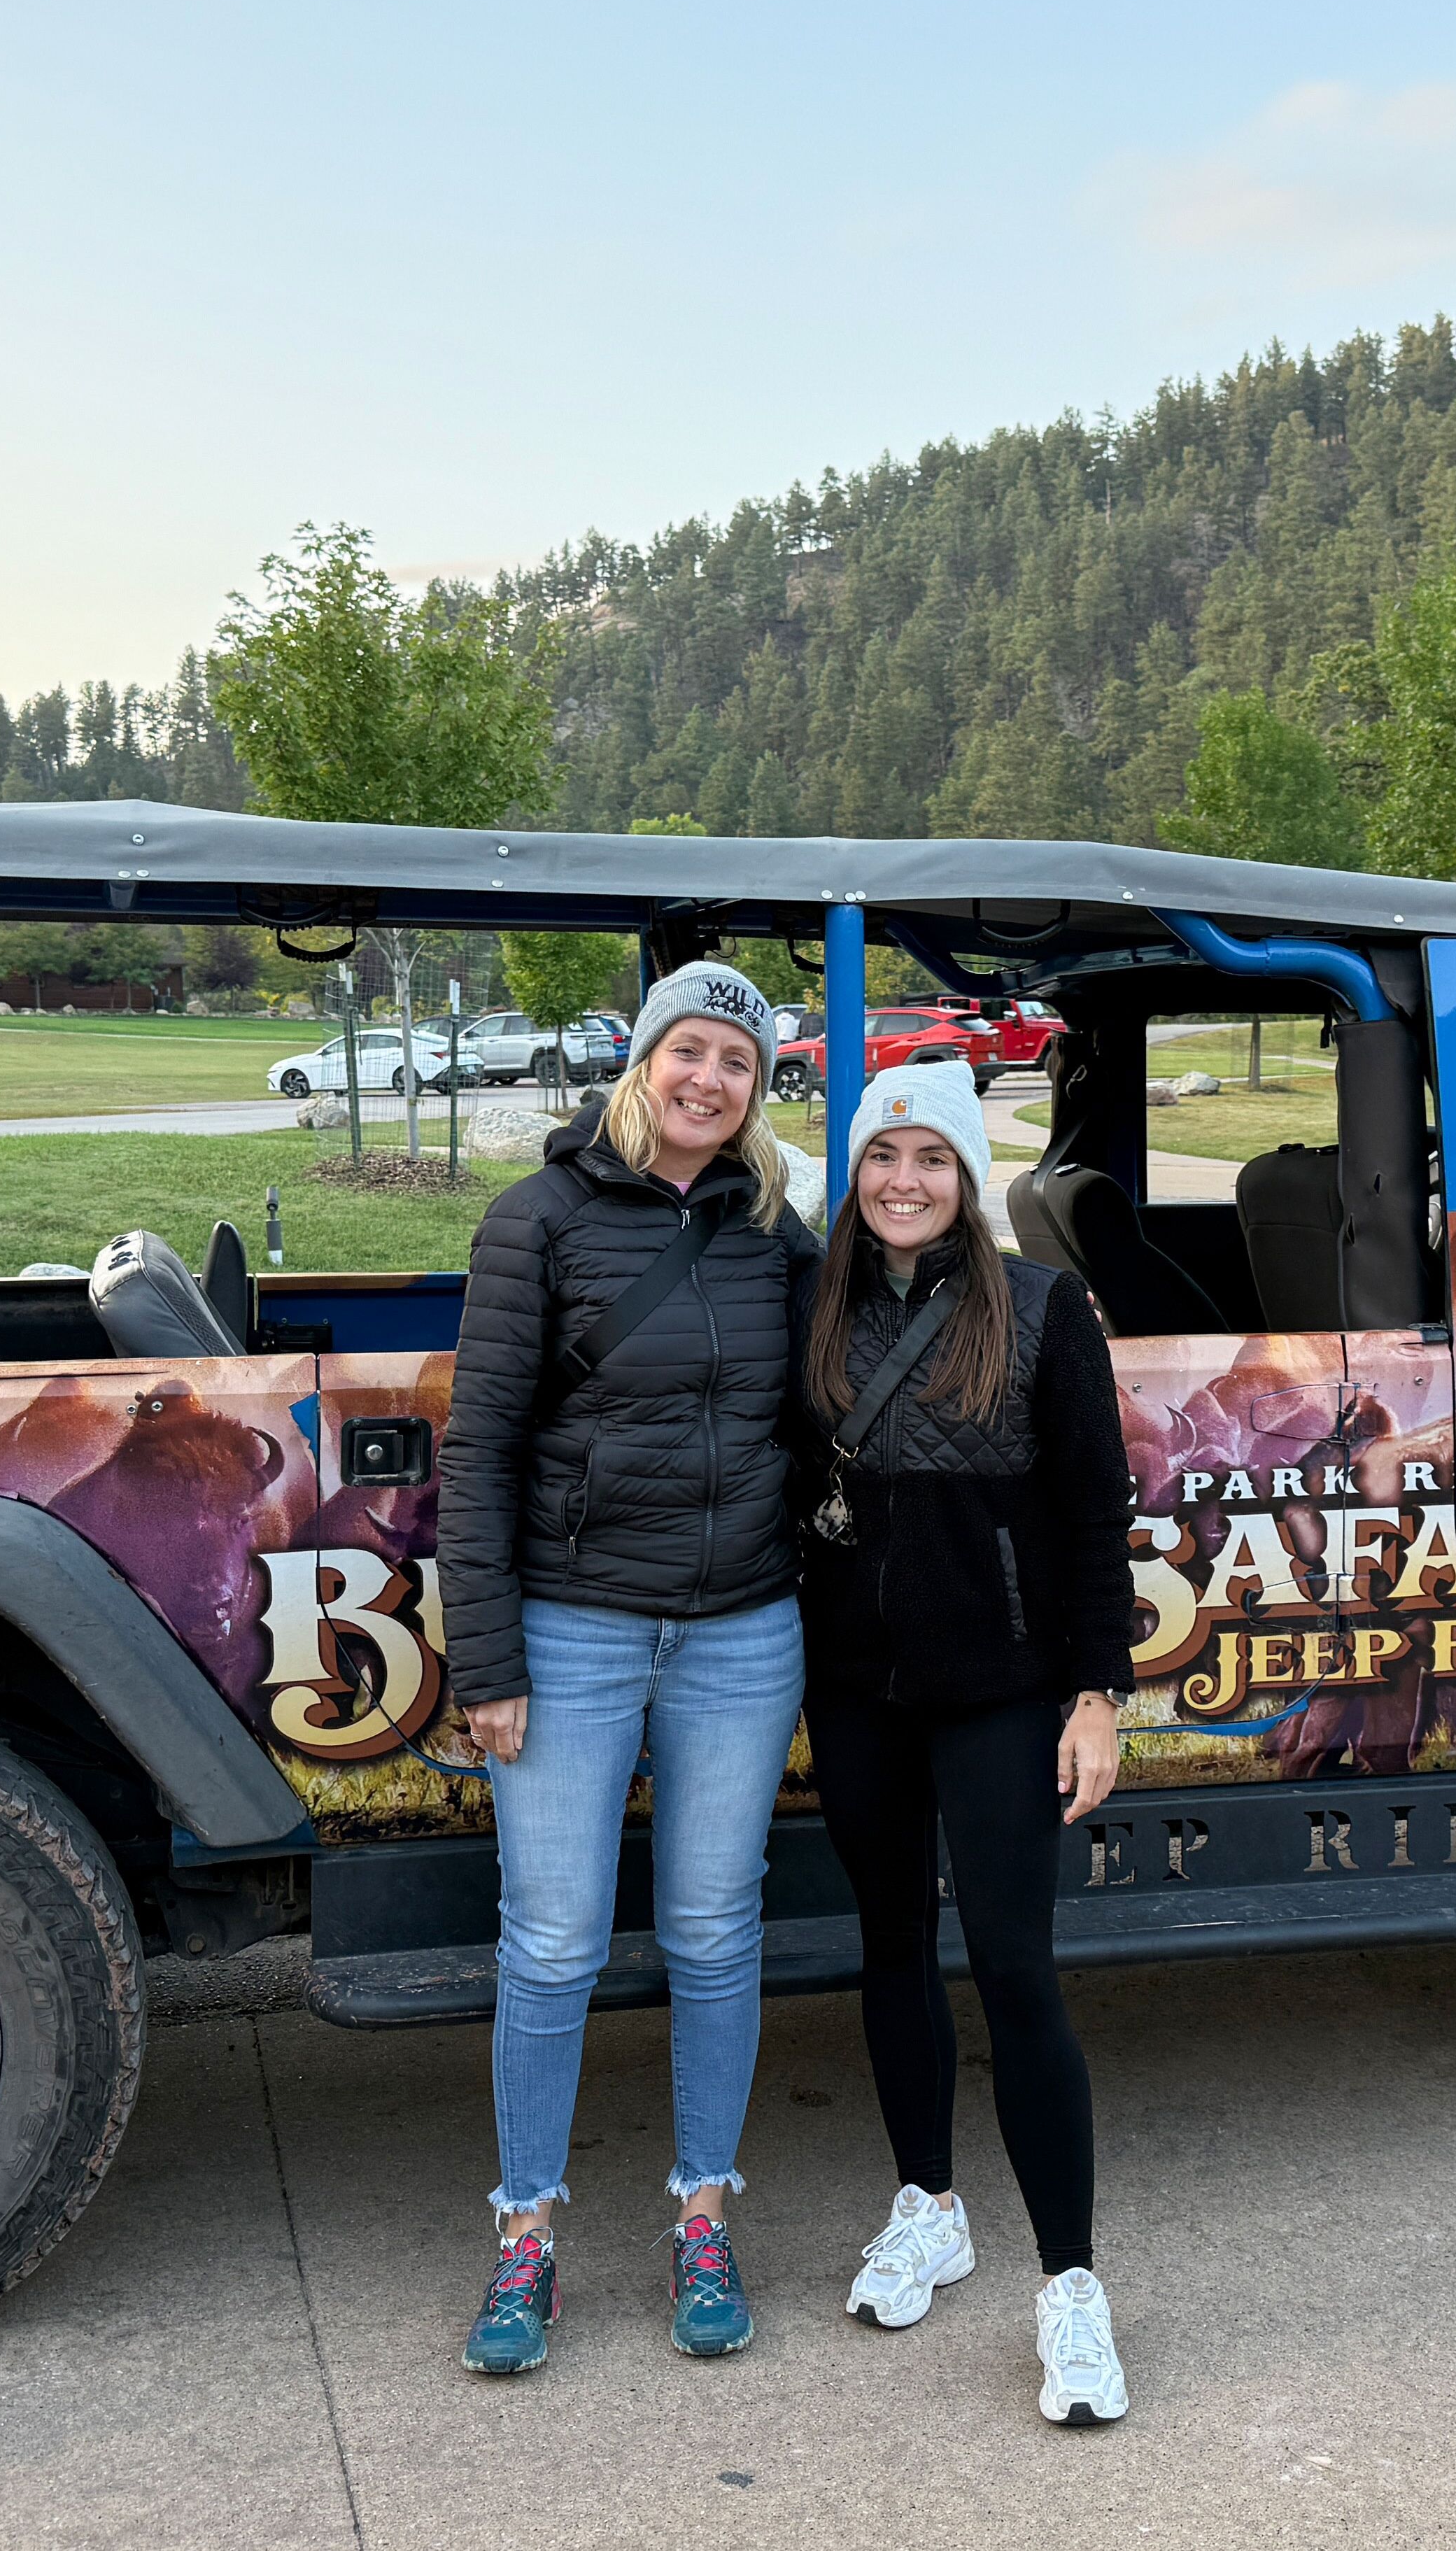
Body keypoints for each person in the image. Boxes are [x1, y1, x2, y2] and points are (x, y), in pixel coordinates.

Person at [436, 961, 817, 2375]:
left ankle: (702, 2216)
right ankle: (526, 2232)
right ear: (640, 1064)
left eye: (739, 1059)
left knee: (717, 1929)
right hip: (574, 1631)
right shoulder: (534, 1222)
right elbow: (476, 1453)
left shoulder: (780, 1236)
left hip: (740, 1633)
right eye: (689, 1052)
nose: (710, 1079)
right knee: (551, 1940)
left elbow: (860, 1376)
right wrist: (489, 1659)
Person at [796, 1064, 1139, 2424]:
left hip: (1005, 1689)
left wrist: (1099, 1694)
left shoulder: (1044, 1312)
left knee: (1014, 1971)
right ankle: (928, 2202)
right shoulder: (809, 1309)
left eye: (935, 1157)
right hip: (860, 1688)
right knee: (891, 1951)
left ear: (971, 1175)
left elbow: (1095, 1513)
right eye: (887, 1154)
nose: (906, 1181)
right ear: (857, 1171)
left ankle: (1072, 2289)